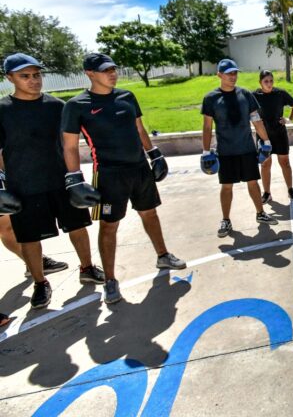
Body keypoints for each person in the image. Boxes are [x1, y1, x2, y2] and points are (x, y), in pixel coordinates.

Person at [62, 53, 186, 305]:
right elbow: (70, 146)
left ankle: (162, 255)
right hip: (108, 174)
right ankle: (110, 280)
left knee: (150, 213)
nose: (112, 73)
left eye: (113, 68)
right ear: (90, 73)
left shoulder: (127, 96)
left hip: (139, 169)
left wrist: (154, 154)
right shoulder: (77, 105)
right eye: (105, 70)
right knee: (109, 225)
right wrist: (74, 179)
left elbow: (139, 129)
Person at [0, 53, 105, 309]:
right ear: (10, 78)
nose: (33, 81)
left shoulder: (58, 106)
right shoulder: (2, 110)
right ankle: (40, 282)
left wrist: (76, 179)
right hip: (23, 186)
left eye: (36, 75)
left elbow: (70, 144)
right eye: (25, 76)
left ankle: (87, 267)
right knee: (29, 239)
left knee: (78, 227)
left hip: (61, 182)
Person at [201, 59, 277, 237]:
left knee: (253, 183)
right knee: (226, 186)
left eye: (235, 73)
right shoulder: (211, 98)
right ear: (219, 74)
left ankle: (260, 213)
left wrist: (266, 142)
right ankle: (226, 220)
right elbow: (207, 127)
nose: (233, 76)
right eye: (228, 73)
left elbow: (256, 120)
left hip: (247, 148)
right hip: (226, 151)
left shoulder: (245, 94)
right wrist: (205, 151)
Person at [253, 70, 293, 203]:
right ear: (260, 82)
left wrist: (289, 119)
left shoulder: (280, 93)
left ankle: (290, 190)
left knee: (285, 162)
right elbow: (246, 110)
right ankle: (267, 193)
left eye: (271, 80)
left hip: (279, 133)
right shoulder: (254, 96)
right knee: (265, 164)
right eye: (266, 81)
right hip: (263, 135)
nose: (269, 84)